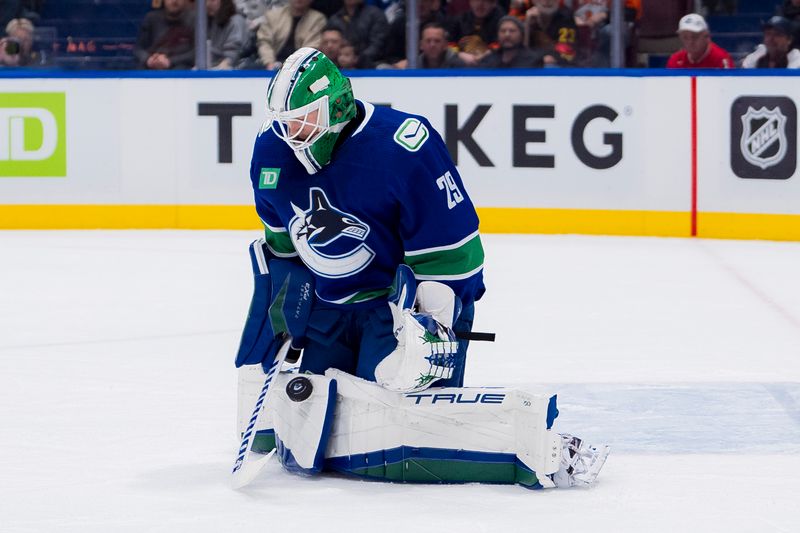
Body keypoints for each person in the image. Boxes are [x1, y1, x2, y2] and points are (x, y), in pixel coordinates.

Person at [234, 48, 609, 489]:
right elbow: (284, 250)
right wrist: (283, 317)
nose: (292, 133)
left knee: (395, 416)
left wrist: (430, 329)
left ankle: (531, 447)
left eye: (304, 119)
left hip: (397, 306)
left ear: (336, 105)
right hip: (327, 305)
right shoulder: (271, 147)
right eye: (284, 121)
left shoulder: (402, 146)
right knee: (315, 428)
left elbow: (454, 256)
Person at [257, 0, 326, 70]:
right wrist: (269, 63)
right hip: (271, 64)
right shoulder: (272, 16)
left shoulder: (318, 19)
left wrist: (296, 66)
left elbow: (311, 47)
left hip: (301, 66)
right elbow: (264, 42)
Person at [134, 0, 195, 70]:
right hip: (152, 69)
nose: (174, 1)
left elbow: (197, 53)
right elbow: (138, 49)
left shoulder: (194, 20)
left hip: (182, 70)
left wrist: (170, 61)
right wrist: (148, 59)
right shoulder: (151, 19)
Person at [327, 0, 389, 67]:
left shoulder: (375, 15)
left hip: (372, 65)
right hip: (340, 65)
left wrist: (357, 59)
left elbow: (378, 44)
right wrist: (342, 57)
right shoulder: (335, 19)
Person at [447, 0, 505, 65]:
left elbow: (502, 43)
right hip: (462, 63)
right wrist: (460, 54)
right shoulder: (459, 20)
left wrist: (486, 54)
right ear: (470, 2)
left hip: (491, 63)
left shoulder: (501, 21)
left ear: (494, 3)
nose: (480, 4)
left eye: (486, 1)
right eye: (476, 0)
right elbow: (450, 44)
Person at [666, 13, 733, 69]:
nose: (690, 42)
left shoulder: (721, 59)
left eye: (695, 36)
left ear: (707, 36)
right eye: (685, 37)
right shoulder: (675, 60)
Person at [524, 0, 577, 66]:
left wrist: (547, 58)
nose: (547, 2)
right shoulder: (526, 14)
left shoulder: (565, 16)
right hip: (532, 64)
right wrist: (527, 24)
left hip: (558, 65)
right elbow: (522, 50)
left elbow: (567, 49)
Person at [478, 15, 544, 67]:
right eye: (503, 31)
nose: (507, 35)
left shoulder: (533, 60)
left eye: (512, 31)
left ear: (521, 35)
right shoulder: (488, 60)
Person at [395, 21, 466, 68]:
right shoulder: (413, 66)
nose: (432, 45)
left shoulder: (458, 66)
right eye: (428, 41)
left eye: (437, 41)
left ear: (445, 45)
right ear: (421, 45)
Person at [206, 0, 247, 69]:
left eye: (212, 0)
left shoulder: (235, 21)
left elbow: (234, 53)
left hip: (232, 70)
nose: (208, 4)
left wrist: (219, 68)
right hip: (210, 67)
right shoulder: (207, 21)